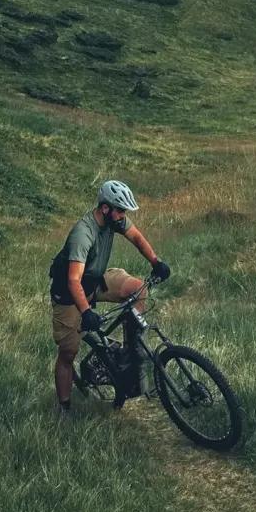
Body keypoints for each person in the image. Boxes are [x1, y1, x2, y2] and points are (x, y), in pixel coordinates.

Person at [49, 179, 170, 417]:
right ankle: (63, 407)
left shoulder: (113, 220)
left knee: (137, 289)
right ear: (106, 208)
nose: (123, 215)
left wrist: (155, 262)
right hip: (69, 294)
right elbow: (74, 281)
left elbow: (136, 237)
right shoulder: (83, 234)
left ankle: (131, 353)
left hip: (95, 281)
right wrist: (86, 312)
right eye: (121, 210)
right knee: (68, 353)